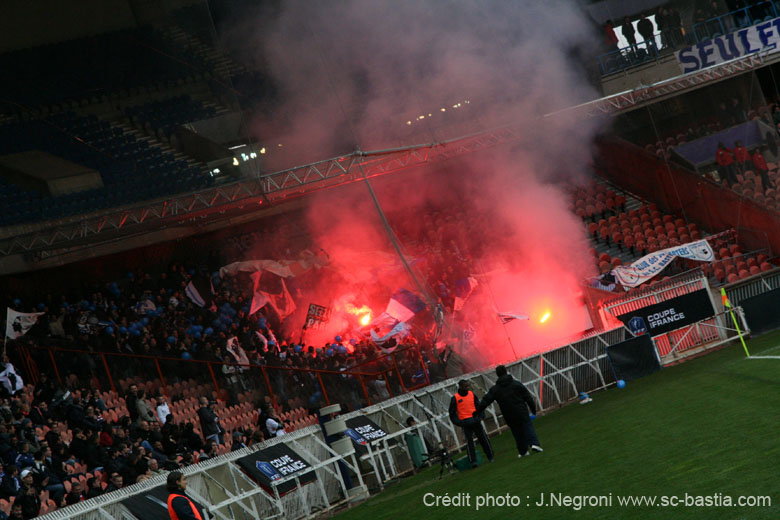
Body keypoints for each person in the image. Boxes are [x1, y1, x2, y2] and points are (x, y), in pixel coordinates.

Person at [475, 365, 542, 458]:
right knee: (527, 426)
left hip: (508, 414)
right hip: (521, 411)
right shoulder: (516, 384)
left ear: (497, 374)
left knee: (516, 432)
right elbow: (527, 397)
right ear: (506, 371)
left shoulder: (495, 389)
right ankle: (534, 444)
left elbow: (485, 401)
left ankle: (523, 451)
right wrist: (533, 409)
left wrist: (477, 411)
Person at [448, 380, 494, 468]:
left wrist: (481, 416)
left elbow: (479, 406)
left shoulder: (472, 394)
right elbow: (452, 413)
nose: (468, 388)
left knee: (483, 438)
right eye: (466, 386)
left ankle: (490, 455)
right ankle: (473, 461)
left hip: (475, 420)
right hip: (465, 423)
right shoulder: (455, 398)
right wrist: (459, 423)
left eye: (468, 386)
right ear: (460, 387)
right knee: (469, 443)